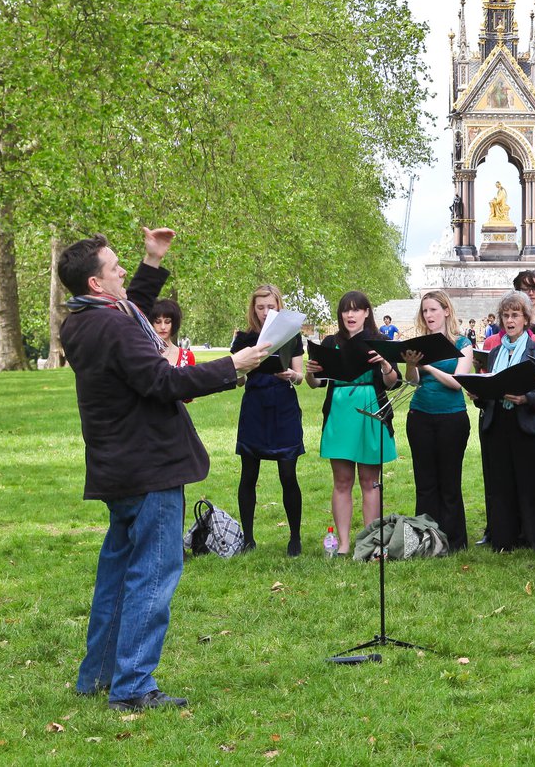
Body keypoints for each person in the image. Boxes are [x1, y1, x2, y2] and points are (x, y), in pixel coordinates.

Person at [59, 227, 271, 711]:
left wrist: (153, 260)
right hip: (147, 466)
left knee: (117, 575)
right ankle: (133, 687)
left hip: (118, 468)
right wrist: (232, 365)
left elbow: (130, 304)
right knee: (152, 576)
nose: (121, 272)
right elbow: (161, 380)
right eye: (115, 267)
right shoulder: (111, 326)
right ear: (96, 284)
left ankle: (97, 676)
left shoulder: (83, 320)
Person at [305, 291, 399, 556]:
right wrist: (311, 374)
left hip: (370, 408)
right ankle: (344, 544)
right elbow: (316, 383)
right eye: (346, 310)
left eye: (356, 310)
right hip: (339, 411)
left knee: (370, 481)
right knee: (342, 481)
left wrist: (384, 364)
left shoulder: (379, 340)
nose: (350, 315)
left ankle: (370, 543)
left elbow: (392, 382)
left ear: (367, 313)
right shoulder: (331, 342)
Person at [472, 291, 535, 551]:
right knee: (500, 482)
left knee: (532, 483)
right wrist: (479, 393)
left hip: (526, 423)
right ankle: (503, 538)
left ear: (525, 319)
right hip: (498, 423)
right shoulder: (495, 352)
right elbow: (491, 388)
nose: (510, 321)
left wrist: (526, 399)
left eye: (515, 315)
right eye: (506, 316)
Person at [230, 284, 306, 556]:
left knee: (288, 473)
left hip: (283, 406)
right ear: (254, 309)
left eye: (270, 307)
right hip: (255, 406)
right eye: (260, 308)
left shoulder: (291, 335)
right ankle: (248, 538)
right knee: (249, 473)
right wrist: (242, 369)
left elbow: (299, 376)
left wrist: (291, 375)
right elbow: (237, 380)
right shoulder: (243, 338)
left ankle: (294, 538)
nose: (264, 312)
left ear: (278, 306)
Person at [401, 290, 474, 552]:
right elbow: (411, 382)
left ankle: (454, 541)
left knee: (450, 481)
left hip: (452, 418)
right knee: (425, 482)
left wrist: (428, 366)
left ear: (446, 311)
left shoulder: (462, 343)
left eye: (433, 309)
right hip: (420, 415)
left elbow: (457, 382)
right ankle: (426, 540)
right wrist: (412, 365)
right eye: (425, 310)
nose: (429, 315)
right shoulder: (419, 343)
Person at [148, 300, 195, 367]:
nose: (163, 327)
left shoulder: (187, 356)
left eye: (167, 322)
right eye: (158, 322)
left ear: (174, 323)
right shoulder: (143, 354)